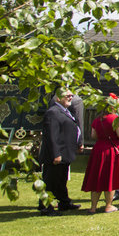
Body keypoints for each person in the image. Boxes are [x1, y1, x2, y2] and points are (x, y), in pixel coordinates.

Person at [38, 88, 83, 216]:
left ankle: (64, 202)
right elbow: (51, 136)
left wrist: (78, 142)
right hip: (56, 154)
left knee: (61, 181)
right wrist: (56, 154)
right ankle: (46, 207)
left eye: (71, 95)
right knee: (51, 182)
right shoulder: (53, 112)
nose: (70, 97)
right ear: (58, 97)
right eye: (67, 95)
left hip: (65, 153)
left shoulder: (65, 111)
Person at [81, 103, 119, 214]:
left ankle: (93, 207)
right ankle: (108, 206)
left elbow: (94, 135)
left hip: (98, 150)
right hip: (112, 151)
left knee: (97, 177)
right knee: (110, 178)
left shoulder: (98, 120)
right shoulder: (116, 119)